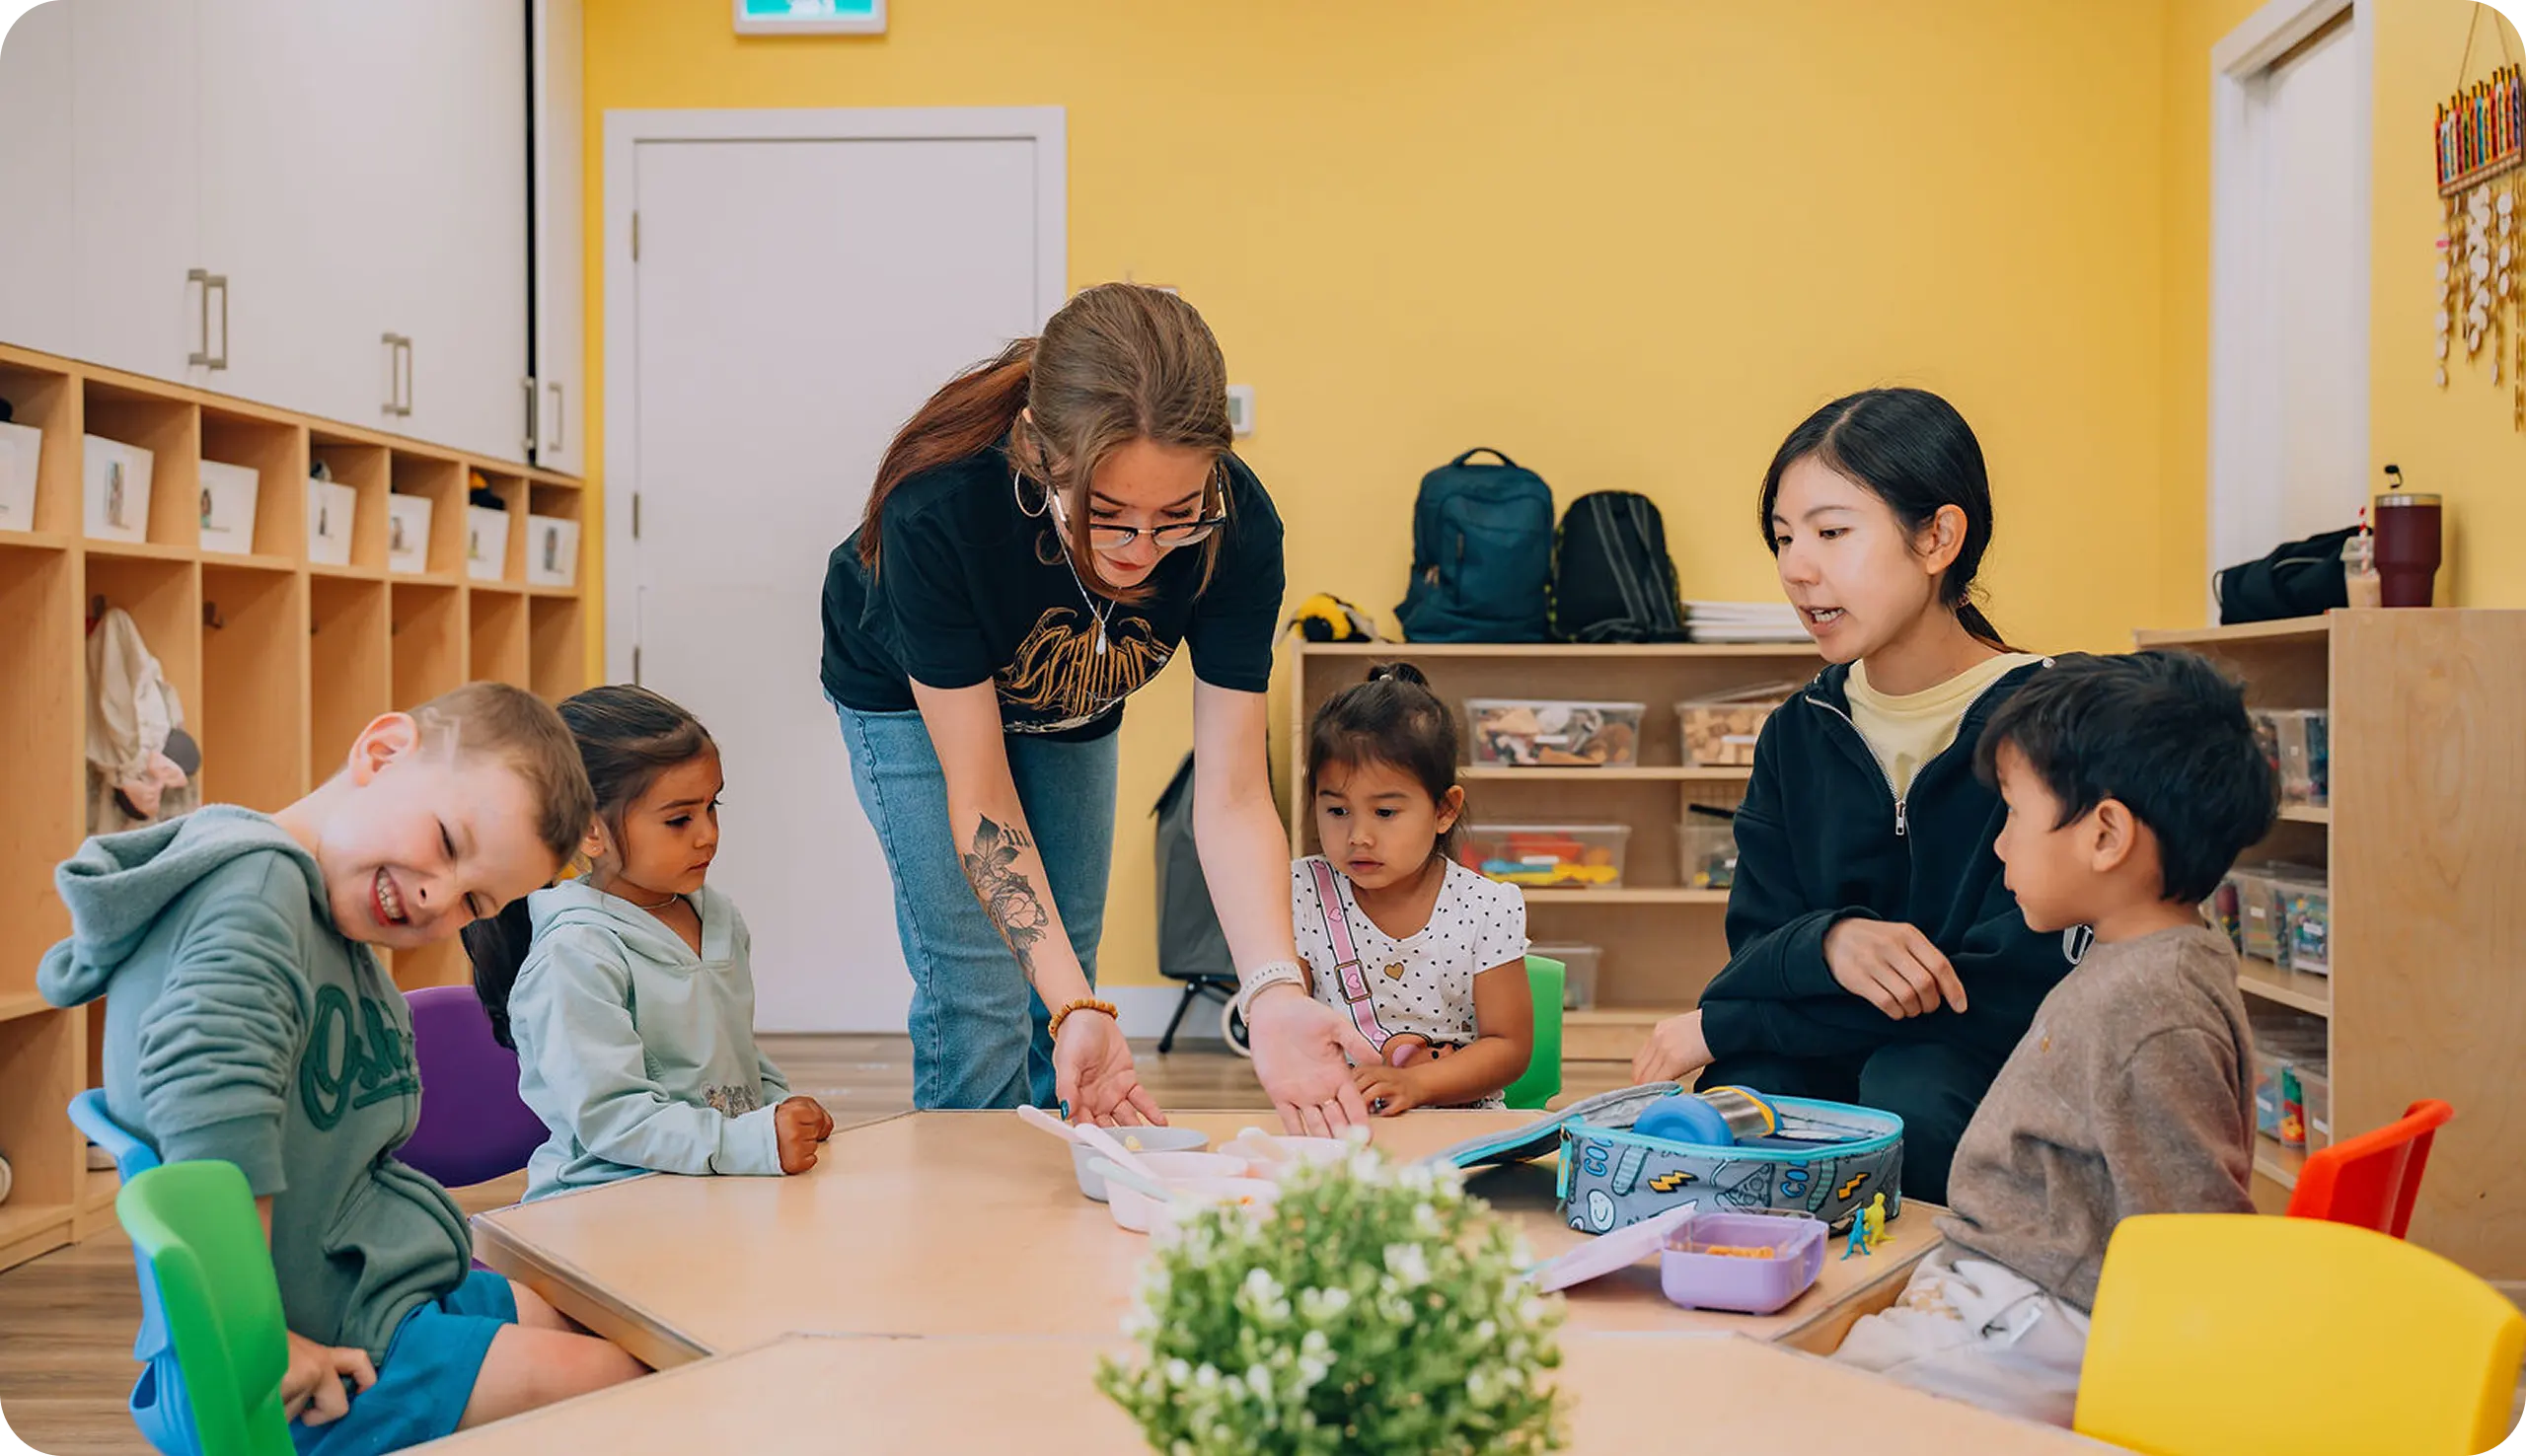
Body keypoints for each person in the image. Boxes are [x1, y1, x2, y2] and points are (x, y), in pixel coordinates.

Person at [820, 282, 1374, 1132]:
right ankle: (971, 1206)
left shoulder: (1238, 528)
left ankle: (1061, 1182)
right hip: (908, 700)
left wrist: (1272, 990)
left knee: (1071, 977)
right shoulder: (938, 511)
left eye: (1175, 517)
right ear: (1038, 452)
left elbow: (1232, 794)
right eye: (1106, 517)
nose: (1140, 553)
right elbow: (983, 798)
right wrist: (1071, 1003)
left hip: (1070, 695)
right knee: (980, 988)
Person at [37, 684, 646, 1452]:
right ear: (381, 754)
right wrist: (260, 1339)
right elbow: (211, 1128)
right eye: (447, 842)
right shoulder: (256, 898)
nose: (436, 897)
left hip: (373, 1296)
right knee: (633, 1384)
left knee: (612, 1327)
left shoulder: (319, 909)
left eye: (474, 903)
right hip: (314, 1358)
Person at [1630, 387, 2074, 1201]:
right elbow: (1753, 960)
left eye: (1832, 532)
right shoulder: (1799, 731)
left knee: (1911, 1087)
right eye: (1783, 537)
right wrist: (1830, 943)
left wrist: (1724, 1023)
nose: (1797, 569)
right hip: (1826, 1055)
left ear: (1937, 537)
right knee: (1745, 1090)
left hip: (1991, 1080)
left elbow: (1996, 990)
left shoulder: (2057, 720)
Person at [1832, 650, 2274, 1424]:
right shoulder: (2137, 961)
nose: (2000, 845)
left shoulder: (2151, 1005)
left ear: (2106, 835)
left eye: (2013, 813)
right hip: (2013, 1288)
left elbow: (2193, 1231)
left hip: (2041, 1315)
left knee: (1811, 1392)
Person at [466, 686, 837, 1201]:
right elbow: (613, 1120)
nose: (707, 834)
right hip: (605, 1199)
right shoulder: (575, 954)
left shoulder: (718, 918)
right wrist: (749, 1142)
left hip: (711, 1182)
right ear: (590, 832)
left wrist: (778, 1108)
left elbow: (734, 1056)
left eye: (712, 806)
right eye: (679, 819)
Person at [1295, 664, 1534, 1114]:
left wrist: (1416, 1084)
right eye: (1338, 811)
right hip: (1341, 1122)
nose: (1358, 836)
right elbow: (1286, 1022)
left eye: (1385, 813)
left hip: (1459, 1126)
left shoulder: (1486, 907)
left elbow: (1509, 1046)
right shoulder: (1303, 892)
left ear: (1444, 810)